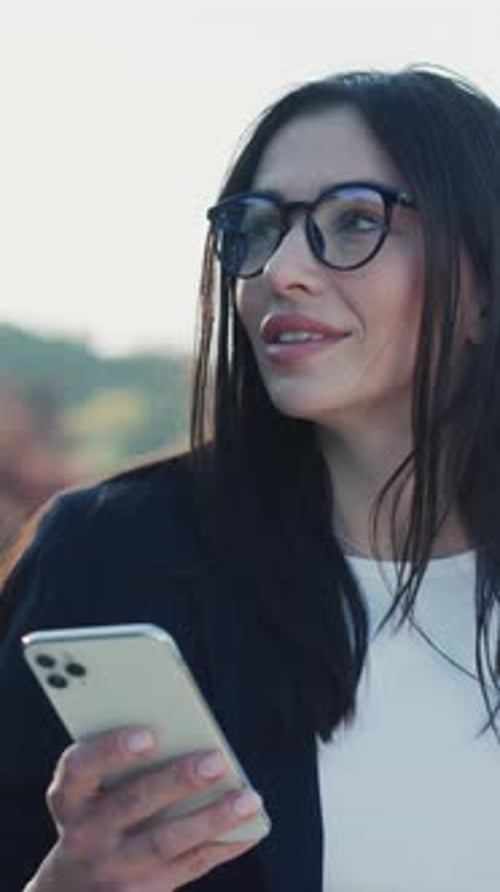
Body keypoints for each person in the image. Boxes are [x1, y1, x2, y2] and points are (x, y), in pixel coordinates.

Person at [1, 64, 499, 892]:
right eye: (256, 228)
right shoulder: (115, 554)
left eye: (353, 222)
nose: (281, 269)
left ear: (484, 288)